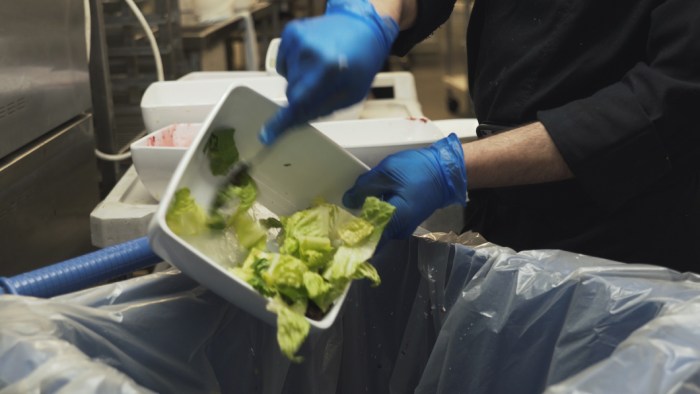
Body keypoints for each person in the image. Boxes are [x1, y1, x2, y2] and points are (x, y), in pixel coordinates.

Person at [260, 0, 700, 271]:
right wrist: (369, 16)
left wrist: (454, 167)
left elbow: (671, 100)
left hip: (627, 230)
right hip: (504, 207)